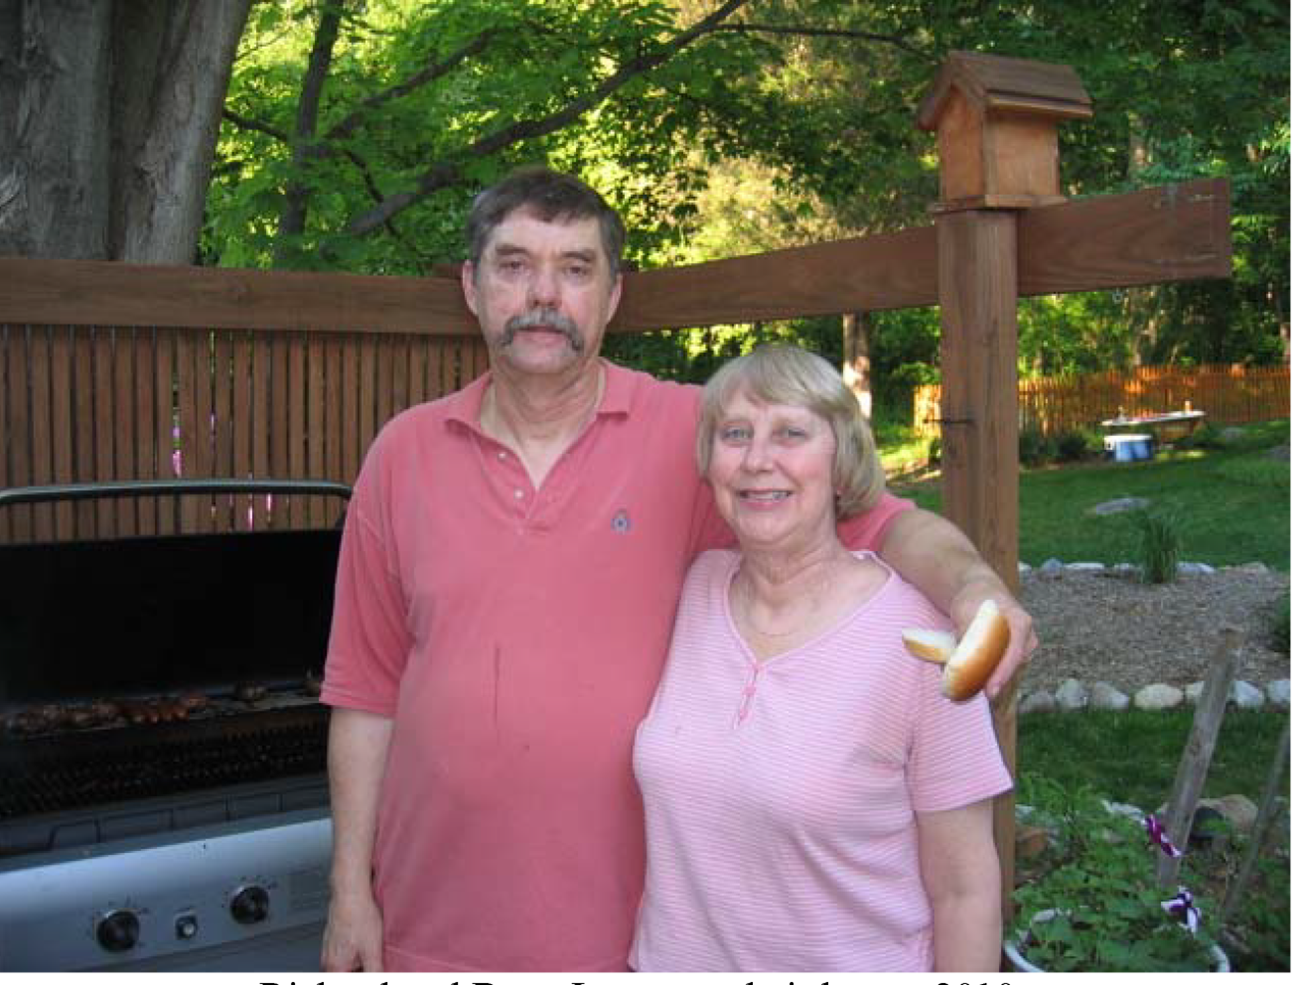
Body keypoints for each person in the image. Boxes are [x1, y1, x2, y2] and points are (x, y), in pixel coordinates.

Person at [320, 167, 1031, 974]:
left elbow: (880, 519)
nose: (543, 294)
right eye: (514, 265)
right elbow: (365, 692)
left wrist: (975, 586)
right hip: (427, 924)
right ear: (472, 288)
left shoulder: (700, 436)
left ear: (613, 296)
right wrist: (351, 889)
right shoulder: (402, 453)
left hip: (624, 938)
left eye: (576, 269)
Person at [631, 345, 1011, 973]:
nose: (758, 460)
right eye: (735, 434)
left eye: (791, 433)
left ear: (841, 463)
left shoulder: (920, 642)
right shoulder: (693, 593)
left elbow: (965, 892)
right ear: (710, 463)